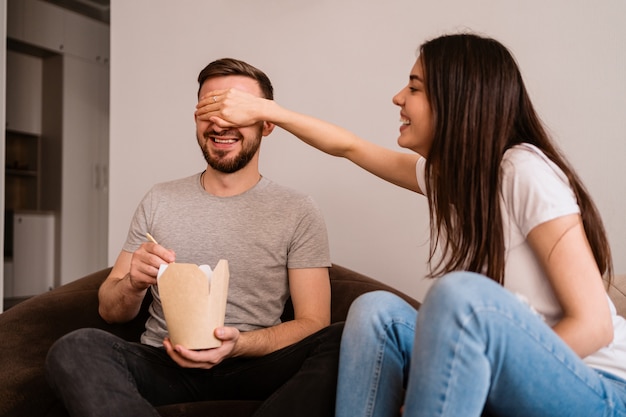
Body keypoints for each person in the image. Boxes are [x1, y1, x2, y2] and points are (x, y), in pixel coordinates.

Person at [196, 33, 626, 416]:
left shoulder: (522, 169)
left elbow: (594, 325)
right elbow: (349, 146)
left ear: (457, 98)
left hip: (598, 388)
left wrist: (474, 380)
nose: (398, 97)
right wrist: (267, 110)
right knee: (375, 310)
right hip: (523, 371)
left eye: (415, 87)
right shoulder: (452, 179)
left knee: (462, 297)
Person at [45, 57, 343, 417]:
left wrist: (238, 345)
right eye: (209, 109)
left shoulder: (298, 209)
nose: (220, 122)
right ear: (195, 117)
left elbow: (313, 322)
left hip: (255, 365)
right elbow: (110, 309)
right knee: (76, 347)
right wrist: (133, 284)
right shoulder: (160, 199)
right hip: (165, 363)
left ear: (267, 124)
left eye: (236, 111)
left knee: (345, 339)